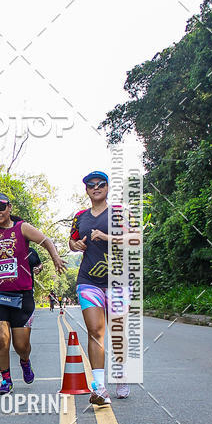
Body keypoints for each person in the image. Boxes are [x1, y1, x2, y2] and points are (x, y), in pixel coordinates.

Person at [0, 193, 66, 394]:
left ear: (9, 207)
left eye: (1, 207)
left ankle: (25, 360)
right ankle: (6, 379)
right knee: (2, 340)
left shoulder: (22, 228)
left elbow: (46, 240)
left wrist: (55, 257)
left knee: (21, 345)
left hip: (22, 296)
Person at [69, 170, 130, 405]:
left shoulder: (119, 213)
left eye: (101, 184)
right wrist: (75, 245)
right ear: (86, 190)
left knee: (117, 332)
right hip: (88, 280)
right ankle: (100, 387)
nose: (96, 187)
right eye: (91, 185)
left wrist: (106, 237)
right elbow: (72, 240)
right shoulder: (80, 216)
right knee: (95, 331)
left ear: (107, 187)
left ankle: (121, 375)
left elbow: (134, 239)